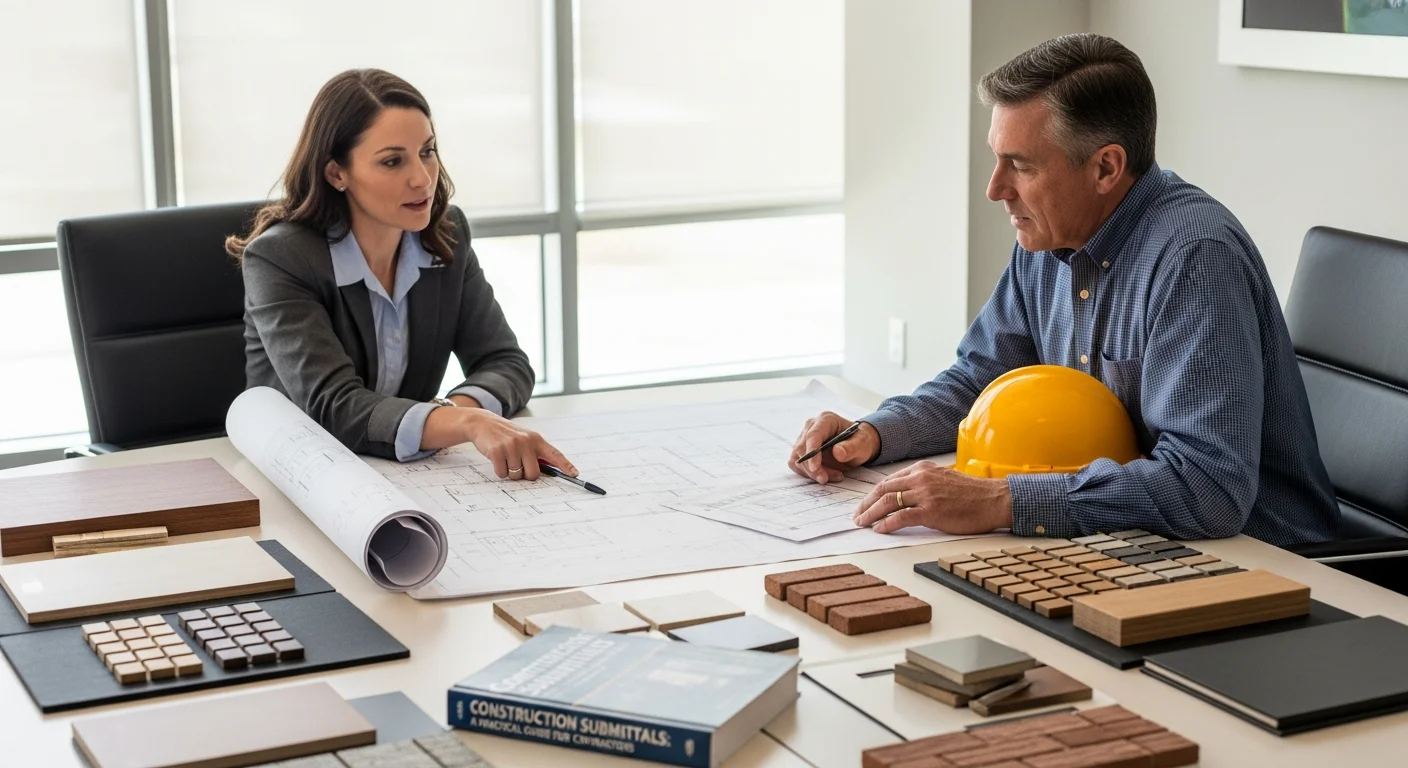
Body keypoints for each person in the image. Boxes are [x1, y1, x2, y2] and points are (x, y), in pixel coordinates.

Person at [788, 34, 1340, 547]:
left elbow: (1207, 490)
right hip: (1129, 545)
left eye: (1020, 166)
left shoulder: (1194, 258)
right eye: (996, 158)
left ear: (1106, 167)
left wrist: (1003, 501)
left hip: (1263, 567)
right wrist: (874, 434)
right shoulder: (1049, 238)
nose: (994, 189)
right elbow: (982, 381)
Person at [229, 69, 576, 482]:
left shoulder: (446, 236)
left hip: (409, 472)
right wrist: (467, 425)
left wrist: (453, 416)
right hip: (306, 478)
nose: (422, 178)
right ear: (337, 173)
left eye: (426, 151)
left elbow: (507, 362)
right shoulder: (281, 257)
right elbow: (334, 407)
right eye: (393, 161)